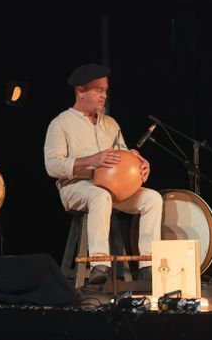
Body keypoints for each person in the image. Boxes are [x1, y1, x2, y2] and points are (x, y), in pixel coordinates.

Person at [44, 63, 162, 284]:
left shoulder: (110, 123)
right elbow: (52, 166)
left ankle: (148, 266)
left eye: (105, 90)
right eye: (99, 90)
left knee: (152, 198)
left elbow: (123, 154)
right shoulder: (61, 124)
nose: (104, 95)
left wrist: (139, 162)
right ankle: (100, 264)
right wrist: (92, 160)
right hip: (76, 187)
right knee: (100, 196)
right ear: (80, 91)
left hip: (114, 186)